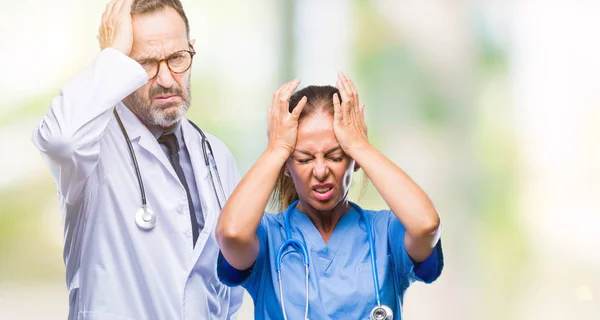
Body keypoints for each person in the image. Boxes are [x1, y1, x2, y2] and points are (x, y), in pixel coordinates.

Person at [32, 0, 243, 318]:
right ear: (120, 67)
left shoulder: (215, 154)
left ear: (191, 51)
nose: (167, 79)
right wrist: (111, 55)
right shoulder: (92, 147)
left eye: (177, 58)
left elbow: (228, 288)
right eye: (146, 64)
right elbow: (60, 139)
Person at [215, 74, 444, 319]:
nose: (321, 171)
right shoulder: (268, 237)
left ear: (354, 161)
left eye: (335, 156)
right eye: (304, 159)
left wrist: (360, 146)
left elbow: (426, 225)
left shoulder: (385, 233)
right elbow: (231, 233)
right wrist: (276, 149)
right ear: (286, 166)